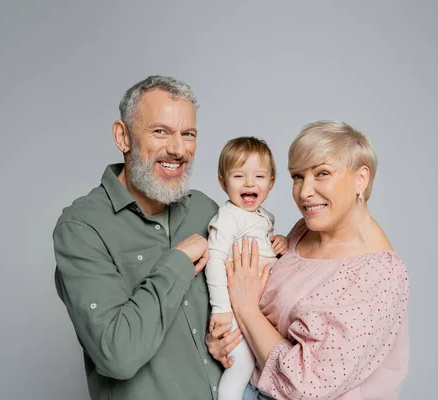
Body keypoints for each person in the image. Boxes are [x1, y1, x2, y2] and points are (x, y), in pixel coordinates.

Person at [53, 75, 240, 400]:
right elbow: (117, 355)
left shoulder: (205, 210)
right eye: (160, 131)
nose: (178, 149)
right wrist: (177, 263)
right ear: (122, 136)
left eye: (188, 134)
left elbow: (244, 302)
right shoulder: (82, 228)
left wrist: (219, 340)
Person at [218, 121, 411, 399]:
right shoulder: (306, 229)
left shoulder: (379, 274)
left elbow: (306, 386)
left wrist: (246, 308)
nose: (305, 191)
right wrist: (226, 341)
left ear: (361, 178)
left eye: (322, 173)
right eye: (297, 176)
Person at [205, 137, 288, 399]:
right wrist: (221, 309)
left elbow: (263, 249)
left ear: (271, 182)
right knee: (242, 365)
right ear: (223, 181)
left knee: (263, 365)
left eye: (259, 176)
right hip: (231, 309)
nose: (250, 183)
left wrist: (280, 242)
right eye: (239, 176)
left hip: (256, 309)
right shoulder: (229, 216)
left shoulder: (264, 218)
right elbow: (215, 258)